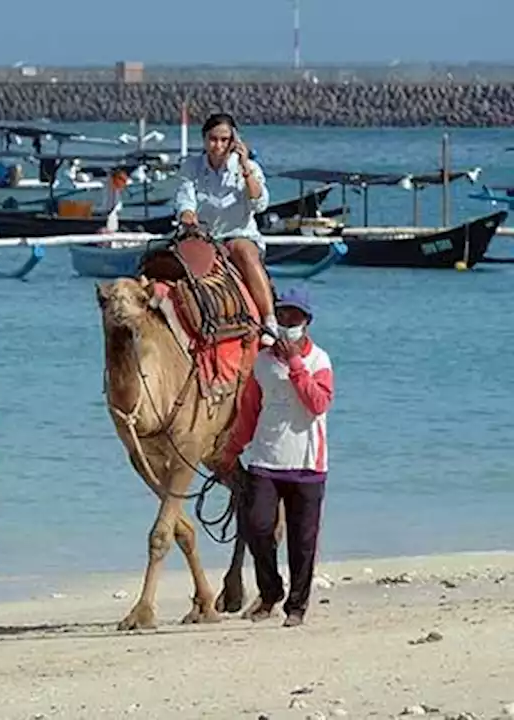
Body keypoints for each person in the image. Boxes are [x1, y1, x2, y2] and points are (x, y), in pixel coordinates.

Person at [217, 286, 334, 628]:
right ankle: (270, 592)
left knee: (302, 541)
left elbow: (318, 403)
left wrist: (296, 364)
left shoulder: (319, 361)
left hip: (308, 466)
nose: (287, 321)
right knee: (257, 527)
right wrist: (231, 450)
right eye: (282, 315)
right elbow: (249, 412)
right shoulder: (263, 363)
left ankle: (296, 608)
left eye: (294, 316)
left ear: (306, 321)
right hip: (266, 461)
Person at [174, 113, 278, 345]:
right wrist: (188, 216)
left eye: (224, 139)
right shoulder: (191, 166)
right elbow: (185, 200)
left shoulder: (249, 167)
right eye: (213, 139)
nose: (218, 145)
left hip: (238, 235)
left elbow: (259, 204)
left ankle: (269, 320)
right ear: (204, 139)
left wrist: (244, 166)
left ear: (234, 141)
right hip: (202, 236)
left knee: (245, 252)